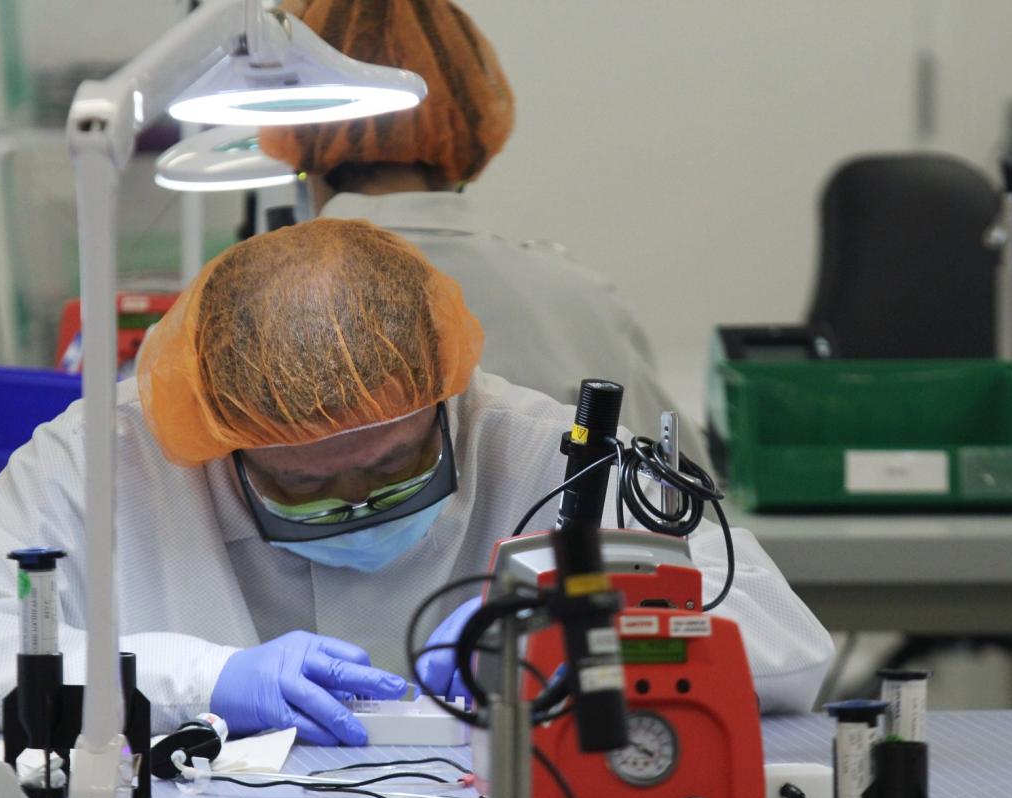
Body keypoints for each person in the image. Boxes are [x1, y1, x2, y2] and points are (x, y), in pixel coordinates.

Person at [0, 219, 831, 744]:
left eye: (395, 465)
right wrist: (190, 678)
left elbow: (789, 650)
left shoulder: (531, 443)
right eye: (310, 484)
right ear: (221, 438)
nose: (360, 504)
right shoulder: (108, 460)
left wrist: (561, 636)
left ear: (446, 400)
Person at [258, 0, 706, 463]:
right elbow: (687, 496)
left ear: (293, 128)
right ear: (468, 116)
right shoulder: (578, 302)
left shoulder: (258, 312)